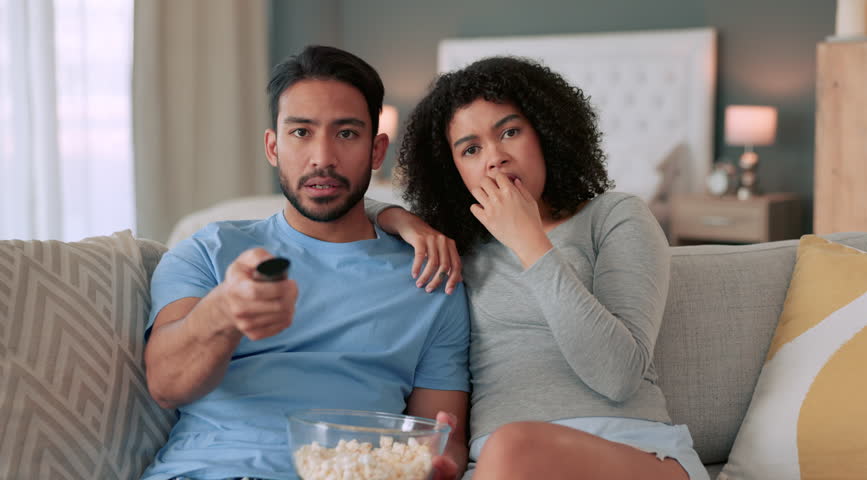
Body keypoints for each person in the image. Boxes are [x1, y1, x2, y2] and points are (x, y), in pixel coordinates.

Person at [368, 56, 710, 479]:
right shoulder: (456, 245)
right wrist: (396, 216)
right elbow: (330, 202)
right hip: (500, 466)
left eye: (510, 132)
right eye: (471, 149)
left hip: (631, 451)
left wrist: (529, 241)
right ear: (452, 170)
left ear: (547, 134)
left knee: (514, 445)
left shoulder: (614, 216)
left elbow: (618, 376)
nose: (495, 158)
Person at [141, 45, 471, 480]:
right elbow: (166, 385)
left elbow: (442, 435)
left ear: (376, 151)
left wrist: (433, 465)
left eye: (346, 134)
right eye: (301, 133)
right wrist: (223, 313)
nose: (323, 158)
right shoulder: (207, 249)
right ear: (273, 146)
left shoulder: (429, 278)